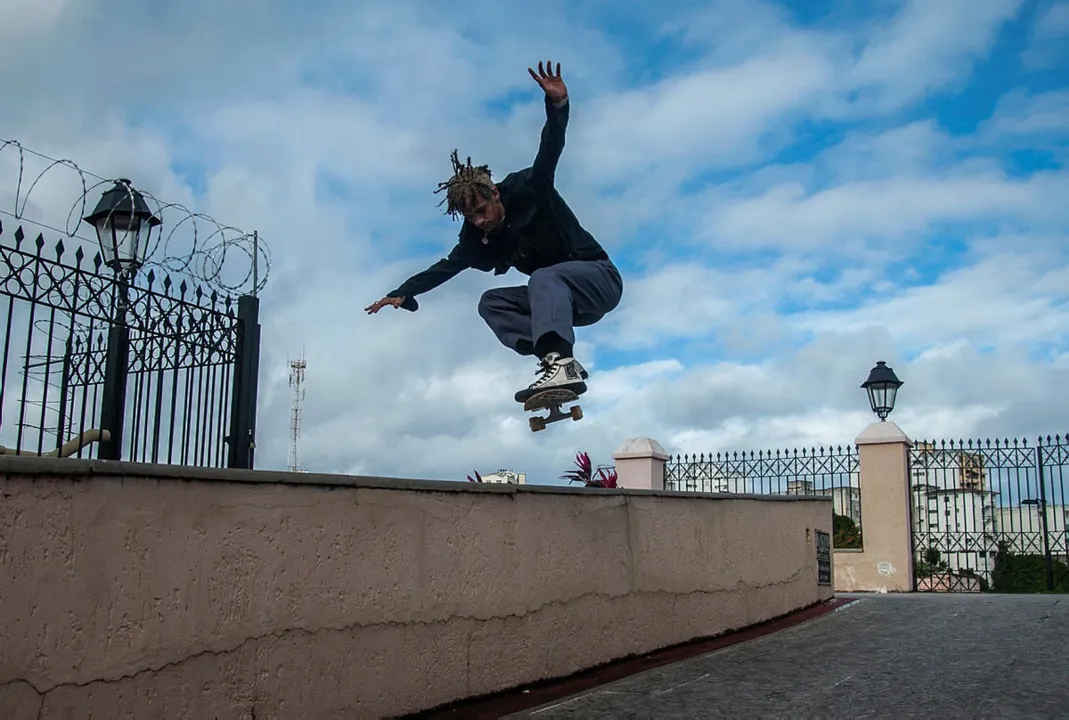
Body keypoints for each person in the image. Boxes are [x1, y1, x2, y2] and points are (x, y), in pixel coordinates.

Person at [365, 60, 623, 404]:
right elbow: (445, 267)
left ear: (495, 194)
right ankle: (554, 361)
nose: (480, 222)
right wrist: (402, 291)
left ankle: (561, 359)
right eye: (471, 218)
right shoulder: (476, 240)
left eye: (482, 212)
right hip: (565, 308)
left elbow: (550, 149)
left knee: (544, 278)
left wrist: (557, 105)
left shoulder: (529, 187)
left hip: (599, 281)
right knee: (492, 302)